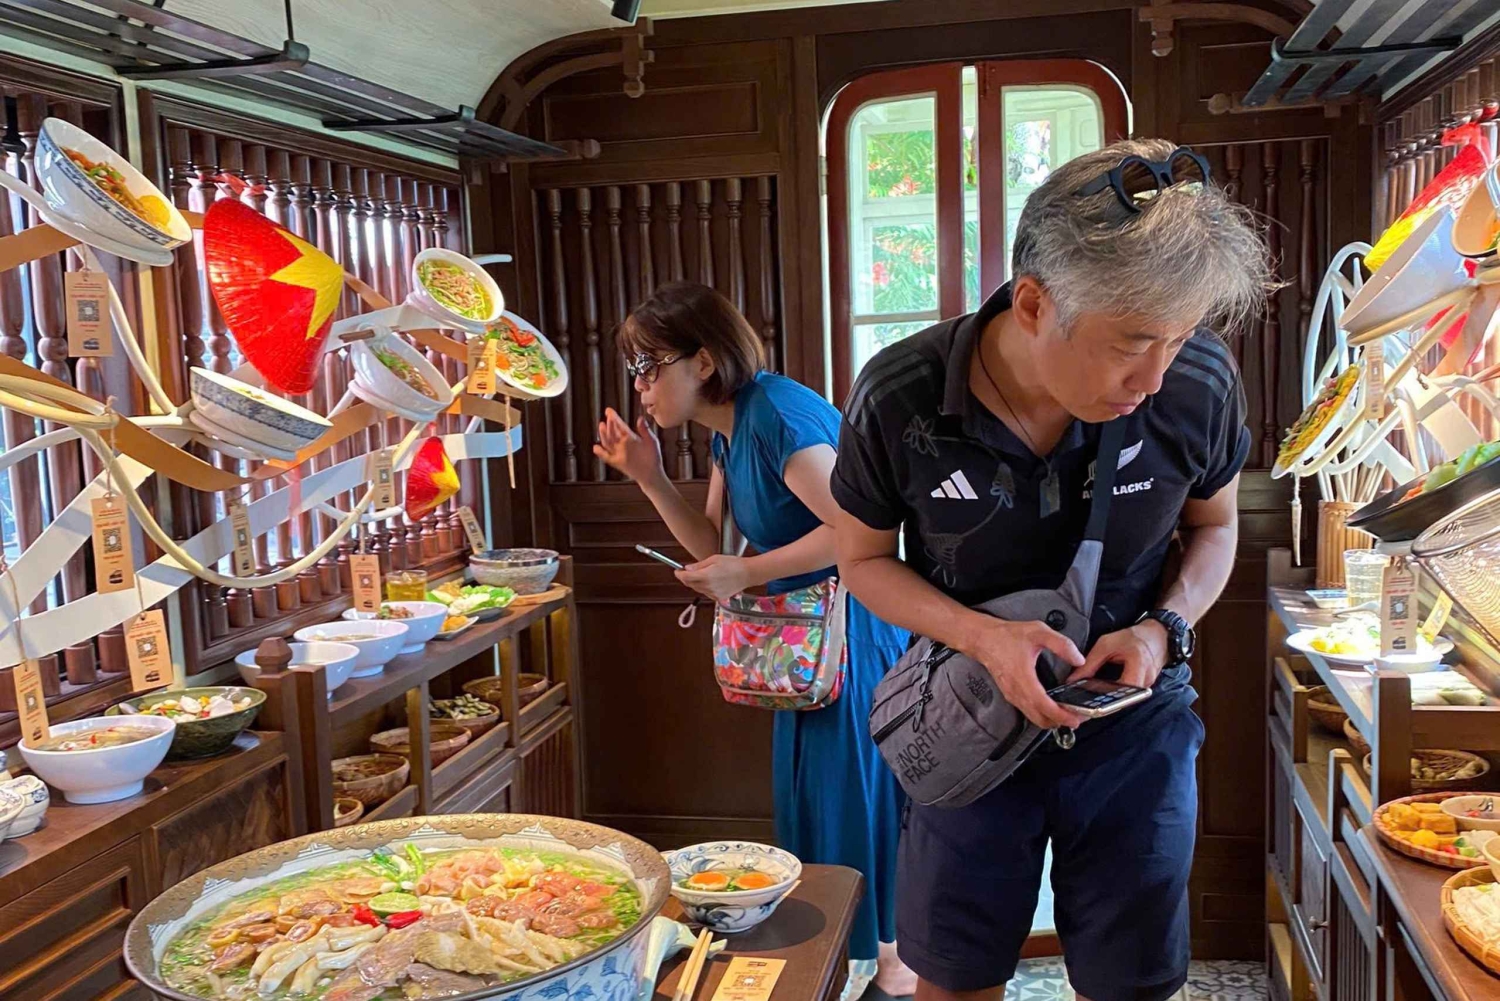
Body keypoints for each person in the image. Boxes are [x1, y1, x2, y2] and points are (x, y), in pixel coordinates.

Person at [830, 138, 1274, 1001]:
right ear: (1033, 304)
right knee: (956, 975)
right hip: (964, 720)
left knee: (1131, 983)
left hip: (1132, 732)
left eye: (1178, 341)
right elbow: (862, 559)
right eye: (1132, 344)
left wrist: (1163, 626)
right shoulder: (902, 394)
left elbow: (1215, 526)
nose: (1153, 378)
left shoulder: (1198, 384)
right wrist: (982, 637)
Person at [593, 281, 915, 998]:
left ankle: (877, 963)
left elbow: (855, 532)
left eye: (649, 367)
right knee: (813, 796)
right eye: (636, 371)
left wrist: (747, 570)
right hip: (804, 641)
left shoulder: (777, 414)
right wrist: (648, 477)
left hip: (849, 627)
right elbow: (709, 538)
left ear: (702, 361)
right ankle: (848, 963)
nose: (640, 387)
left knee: (848, 799)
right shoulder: (728, 426)